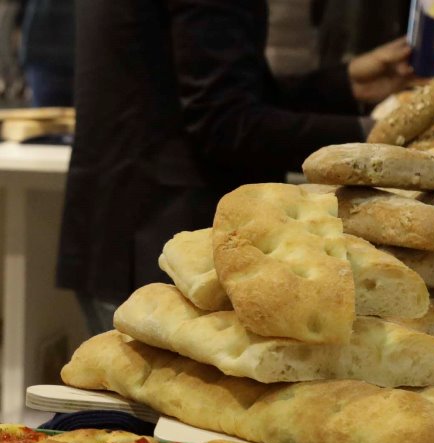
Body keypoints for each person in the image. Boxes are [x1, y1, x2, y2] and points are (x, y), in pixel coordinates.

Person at [56, 0, 414, 336]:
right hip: (163, 242)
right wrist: (376, 136)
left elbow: (208, 95)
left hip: (120, 226)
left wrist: (345, 84)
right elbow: (223, 125)